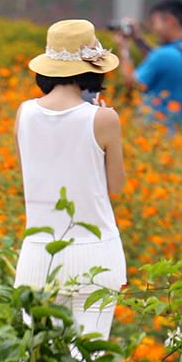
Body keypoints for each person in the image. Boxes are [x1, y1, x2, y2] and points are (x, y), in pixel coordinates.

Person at [15, 19, 127, 339]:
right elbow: (116, 185)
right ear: (94, 68)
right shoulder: (104, 118)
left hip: (39, 254)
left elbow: (32, 170)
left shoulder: (25, 112)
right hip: (96, 253)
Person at [112, 0, 182, 129]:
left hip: (155, 129)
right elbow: (161, 62)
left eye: (155, 23)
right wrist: (138, 40)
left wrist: (123, 49)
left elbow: (131, 84)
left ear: (169, 20)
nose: (154, 29)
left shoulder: (164, 55)